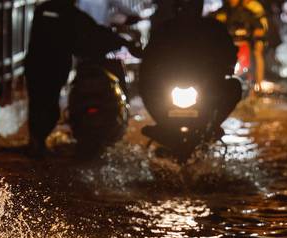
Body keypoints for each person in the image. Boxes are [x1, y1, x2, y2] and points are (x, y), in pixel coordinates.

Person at [24, 0, 142, 157]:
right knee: (47, 106)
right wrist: (124, 43)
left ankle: (37, 144)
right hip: (50, 67)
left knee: (41, 104)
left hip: (39, 66)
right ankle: (37, 146)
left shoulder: (47, 10)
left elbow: (89, 33)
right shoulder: (68, 14)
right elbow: (92, 34)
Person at [140, 0, 242, 134]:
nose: (189, 10)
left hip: (206, 84)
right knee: (145, 84)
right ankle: (162, 124)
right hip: (169, 82)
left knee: (234, 86)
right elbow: (150, 56)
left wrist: (227, 67)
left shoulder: (214, 28)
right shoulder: (165, 29)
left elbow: (229, 52)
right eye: (185, 6)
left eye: (192, 5)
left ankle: (213, 125)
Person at [213, 0, 266, 92]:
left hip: (246, 42)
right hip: (229, 43)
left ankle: (258, 84)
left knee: (257, 53)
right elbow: (214, 24)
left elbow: (259, 26)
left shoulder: (249, 10)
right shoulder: (222, 11)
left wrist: (257, 32)